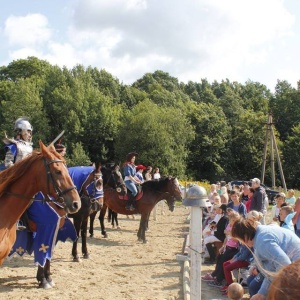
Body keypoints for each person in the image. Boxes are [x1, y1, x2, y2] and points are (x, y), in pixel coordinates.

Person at [231, 218, 300, 299]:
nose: (242, 243)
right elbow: (271, 271)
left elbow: (284, 265)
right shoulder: (260, 235)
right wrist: (261, 293)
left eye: (240, 240)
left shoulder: (262, 241)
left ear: (245, 236)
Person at [2, 117, 33, 230]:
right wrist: (17, 172)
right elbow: (8, 162)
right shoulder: (14, 145)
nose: (30, 134)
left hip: (25, 177)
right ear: (21, 131)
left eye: (30, 132)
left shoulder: (29, 147)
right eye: (28, 131)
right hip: (12, 175)